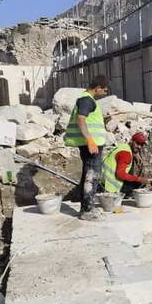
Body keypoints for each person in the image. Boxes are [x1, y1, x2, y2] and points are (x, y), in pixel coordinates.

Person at [64, 75, 108, 221]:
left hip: (90, 144)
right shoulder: (87, 100)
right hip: (91, 145)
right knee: (92, 174)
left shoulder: (86, 100)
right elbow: (81, 119)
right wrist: (90, 140)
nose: (105, 93)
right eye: (104, 90)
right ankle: (87, 210)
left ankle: (86, 206)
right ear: (97, 88)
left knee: (88, 173)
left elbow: (87, 119)